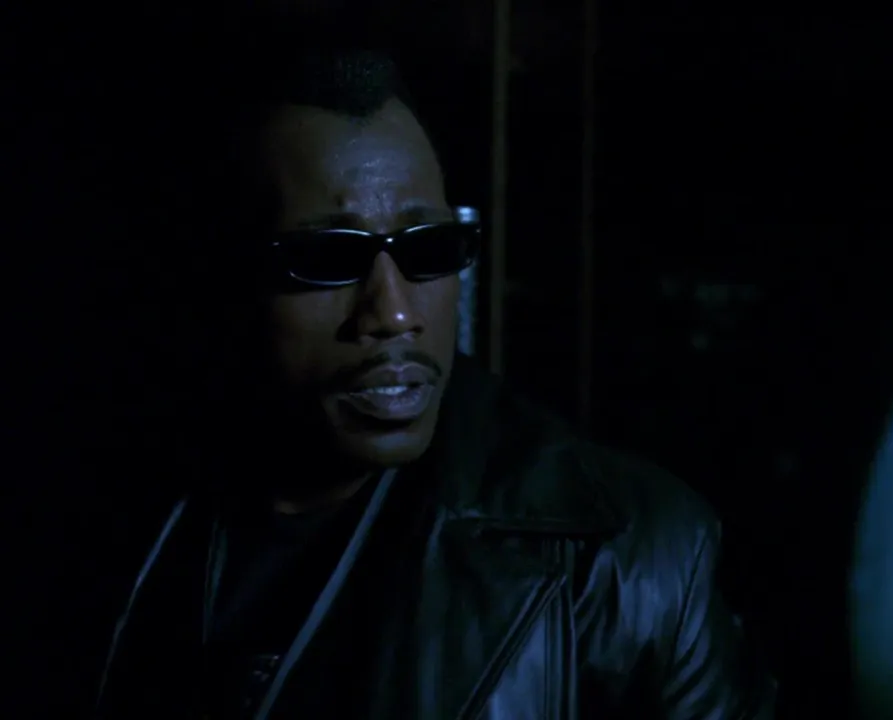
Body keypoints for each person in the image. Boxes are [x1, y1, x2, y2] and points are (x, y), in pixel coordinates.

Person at [89, 45, 775, 719]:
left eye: (429, 249)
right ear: (221, 279)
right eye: (327, 257)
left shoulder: (631, 559)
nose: (392, 313)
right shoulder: (106, 503)